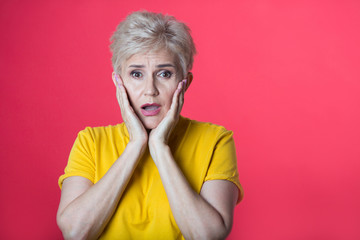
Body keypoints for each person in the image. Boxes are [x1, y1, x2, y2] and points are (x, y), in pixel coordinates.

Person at [57, 11, 243, 240]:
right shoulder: (91, 142)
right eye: (136, 74)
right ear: (119, 82)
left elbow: (207, 236)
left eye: (164, 73)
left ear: (185, 83)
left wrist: (159, 147)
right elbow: (75, 233)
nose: (150, 90)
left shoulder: (216, 140)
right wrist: (136, 144)